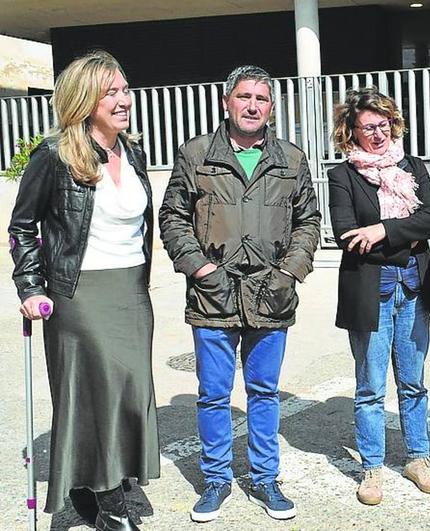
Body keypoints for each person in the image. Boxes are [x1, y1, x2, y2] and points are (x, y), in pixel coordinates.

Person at [158, 65, 320, 523]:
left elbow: (309, 221)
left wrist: (290, 271)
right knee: (212, 394)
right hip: (213, 294)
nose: (253, 106)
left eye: (262, 99)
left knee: (264, 391)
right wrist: (201, 268)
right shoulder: (195, 155)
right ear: (227, 102)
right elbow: (173, 217)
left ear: (272, 107)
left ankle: (265, 478)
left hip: (272, 293)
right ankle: (215, 479)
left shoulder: (291, 158)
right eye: (244, 97)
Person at [8, 50, 159, 531]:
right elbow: (22, 225)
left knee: (132, 393)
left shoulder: (131, 151)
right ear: (85, 99)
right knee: (101, 396)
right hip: (79, 293)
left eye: (124, 89)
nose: (123, 99)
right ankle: (113, 505)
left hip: (132, 289)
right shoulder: (53, 155)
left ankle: (85, 486)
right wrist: (29, 286)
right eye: (110, 92)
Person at [327, 87, 430, 506]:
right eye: (367, 128)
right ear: (350, 133)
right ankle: (372, 467)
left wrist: (381, 231)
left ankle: (418, 458)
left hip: (413, 286)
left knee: (413, 382)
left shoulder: (411, 166)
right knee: (371, 385)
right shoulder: (342, 175)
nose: (377, 135)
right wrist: (405, 235)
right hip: (370, 290)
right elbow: (346, 234)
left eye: (383, 125)